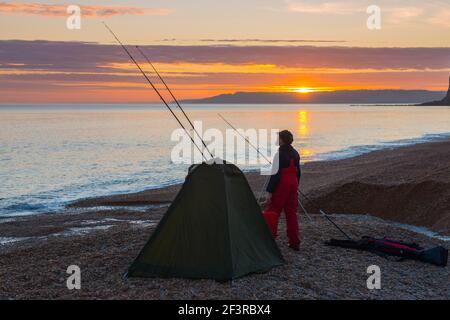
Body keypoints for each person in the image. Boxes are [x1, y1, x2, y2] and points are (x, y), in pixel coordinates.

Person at [265, 130, 301, 251]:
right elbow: (298, 172)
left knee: (273, 211)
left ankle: (269, 240)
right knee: (291, 213)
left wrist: (270, 191)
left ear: (282, 140)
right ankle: (294, 242)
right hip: (293, 184)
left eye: (278, 138)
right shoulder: (296, 153)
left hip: (282, 185)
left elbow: (275, 174)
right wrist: (296, 186)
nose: (276, 140)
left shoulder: (279, 154)